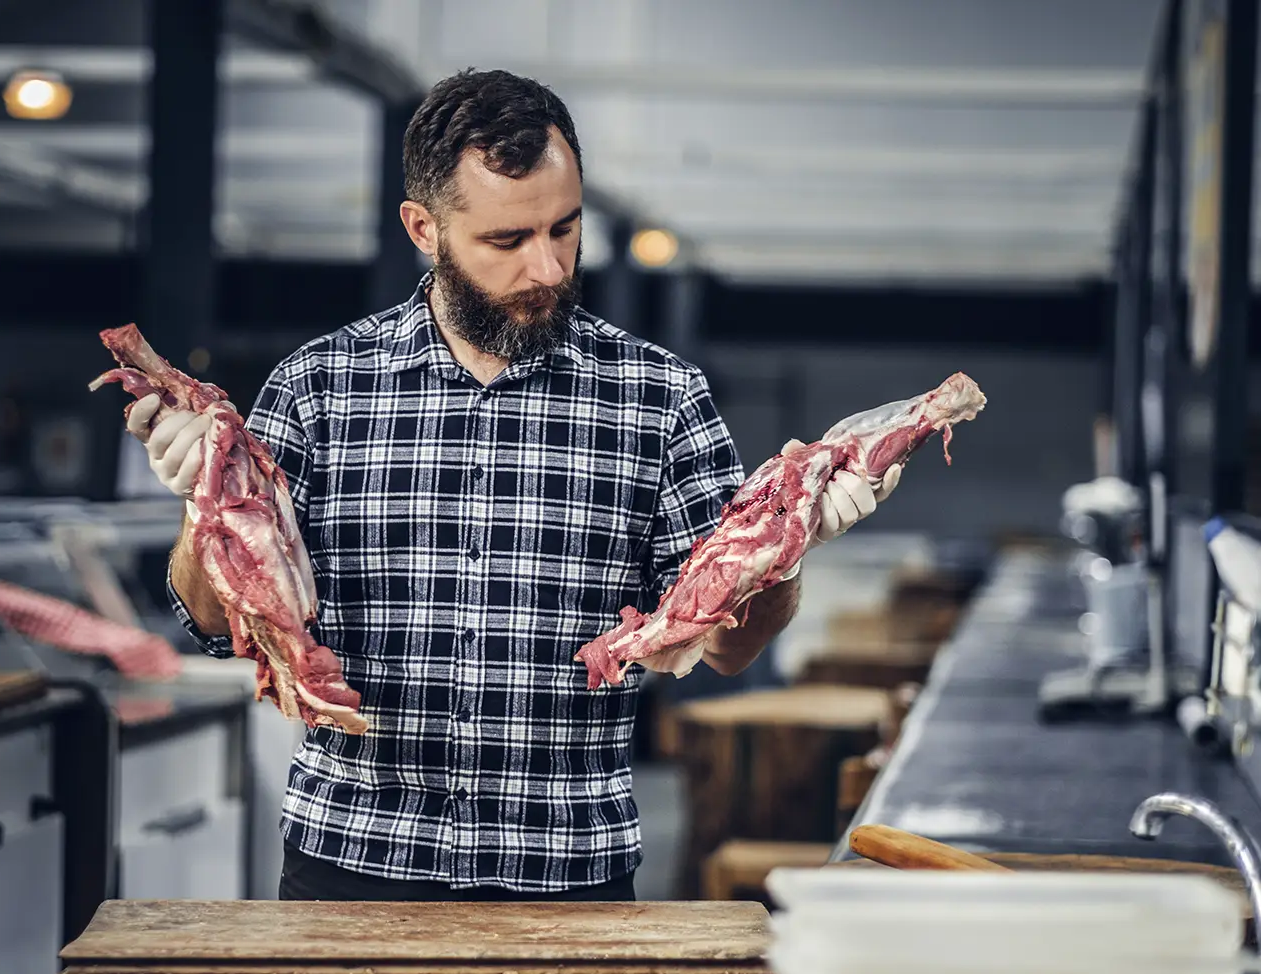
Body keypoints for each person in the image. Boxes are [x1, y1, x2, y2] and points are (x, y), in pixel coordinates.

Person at [123, 69, 900, 902]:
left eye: (564, 229)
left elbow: (727, 645)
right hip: (351, 868)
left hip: (570, 879)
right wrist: (203, 501)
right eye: (507, 240)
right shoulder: (318, 387)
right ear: (424, 229)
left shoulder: (661, 397)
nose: (547, 267)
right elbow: (212, 625)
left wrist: (788, 551)